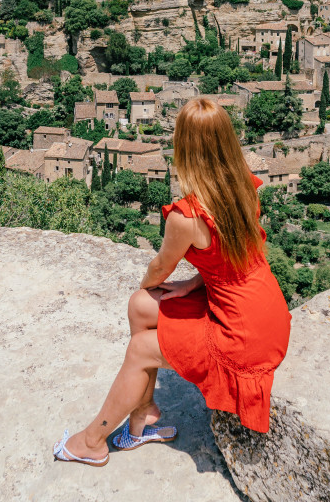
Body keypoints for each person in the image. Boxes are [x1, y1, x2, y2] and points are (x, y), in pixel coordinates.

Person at [53, 97, 291, 465]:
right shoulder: (241, 186)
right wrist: (194, 284)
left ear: (183, 146)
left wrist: (152, 281)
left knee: (140, 347)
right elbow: (236, 256)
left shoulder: (188, 216)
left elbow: (159, 269)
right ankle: (142, 413)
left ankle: (92, 441)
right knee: (139, 306)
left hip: (243, 336)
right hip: (259, 308)